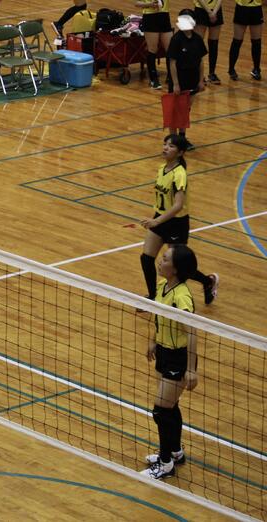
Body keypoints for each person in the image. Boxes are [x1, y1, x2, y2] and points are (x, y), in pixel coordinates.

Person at [140, 244, 199, 480]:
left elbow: (192, 332)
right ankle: (175, 452)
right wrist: (154, 341)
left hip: (178, 358)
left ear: (175, 269)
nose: (160, 261)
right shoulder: (163, 286)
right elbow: (159, 318)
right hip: (164, 352)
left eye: (165, 259)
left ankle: (165, 464)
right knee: (169, 407)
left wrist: (191, 370)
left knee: (161, 410)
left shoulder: (181, 296)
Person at [139, 134, 219, 307]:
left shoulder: (180, 174)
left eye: (171, 146)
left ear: (181, 152)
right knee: (146, 258)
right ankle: (153, 297)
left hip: (176, 223)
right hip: (160, 217)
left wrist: (156, 222)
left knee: (179, 266)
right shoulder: (162, 168)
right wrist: (156, 219)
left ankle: (208, 281)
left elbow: (178, 205)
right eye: (165, 144)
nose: (166, 148)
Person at [166, 11, 206, 148]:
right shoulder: (176, 39)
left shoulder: (197, 39)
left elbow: (201, 61)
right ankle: (173, 140)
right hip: (179, 80)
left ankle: (182, 139)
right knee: (174, 111)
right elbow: (172, 63)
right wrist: (176, 84)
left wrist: (201, 80)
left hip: (192, 79)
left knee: (185, 110)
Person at [136, 0, 173, 88]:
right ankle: (153, 79)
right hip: (150, 18)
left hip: (164, 17)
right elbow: (137, 3)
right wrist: (150, 4)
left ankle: (171, 76)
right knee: (152, 49)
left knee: (170, 49)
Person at [228, 0, 263, 80]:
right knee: (237, 41)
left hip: (256, 8)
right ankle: (231, 69)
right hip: (242, 8)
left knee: (256, 42)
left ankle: (256, 69)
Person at [193, 0, 224, 83]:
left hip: (216, 10)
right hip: (201, 9)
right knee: (198, 44)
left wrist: (214, 12)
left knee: (214, 43)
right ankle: (198, 74)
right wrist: (209, 12)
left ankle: (212, 73)